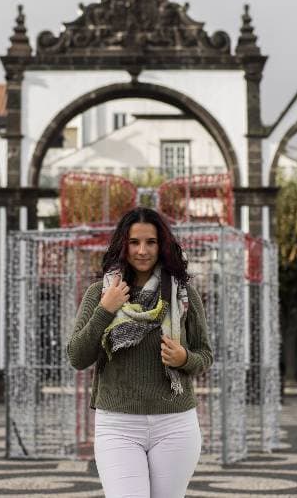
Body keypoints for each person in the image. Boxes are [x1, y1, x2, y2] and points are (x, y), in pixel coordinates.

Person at [67, 207, 213, 498]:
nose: (142, 250)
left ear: (162, 246)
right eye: (134, 242)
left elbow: (205, 355)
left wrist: (185, 359)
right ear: (123, 245)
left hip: (175, 423)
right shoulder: (101, 294)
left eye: (151, 242)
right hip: (118, 424)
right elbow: (78, 357)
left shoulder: (182, 295)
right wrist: (106, 310)